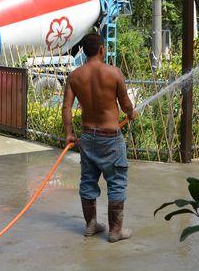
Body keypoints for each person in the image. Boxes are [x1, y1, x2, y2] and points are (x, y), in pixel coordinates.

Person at [62, 33, 137, 243]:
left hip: (87, 137)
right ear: (102, 49)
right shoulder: (114, 73)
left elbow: (66, 107)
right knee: (116, 182)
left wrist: (69, 133)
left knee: (88, 180)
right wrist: (131, 113)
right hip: (110, 138)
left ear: (84, 51)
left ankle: (91, 225)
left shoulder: (75, 76)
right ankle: (115, 231)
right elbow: (126, 105)